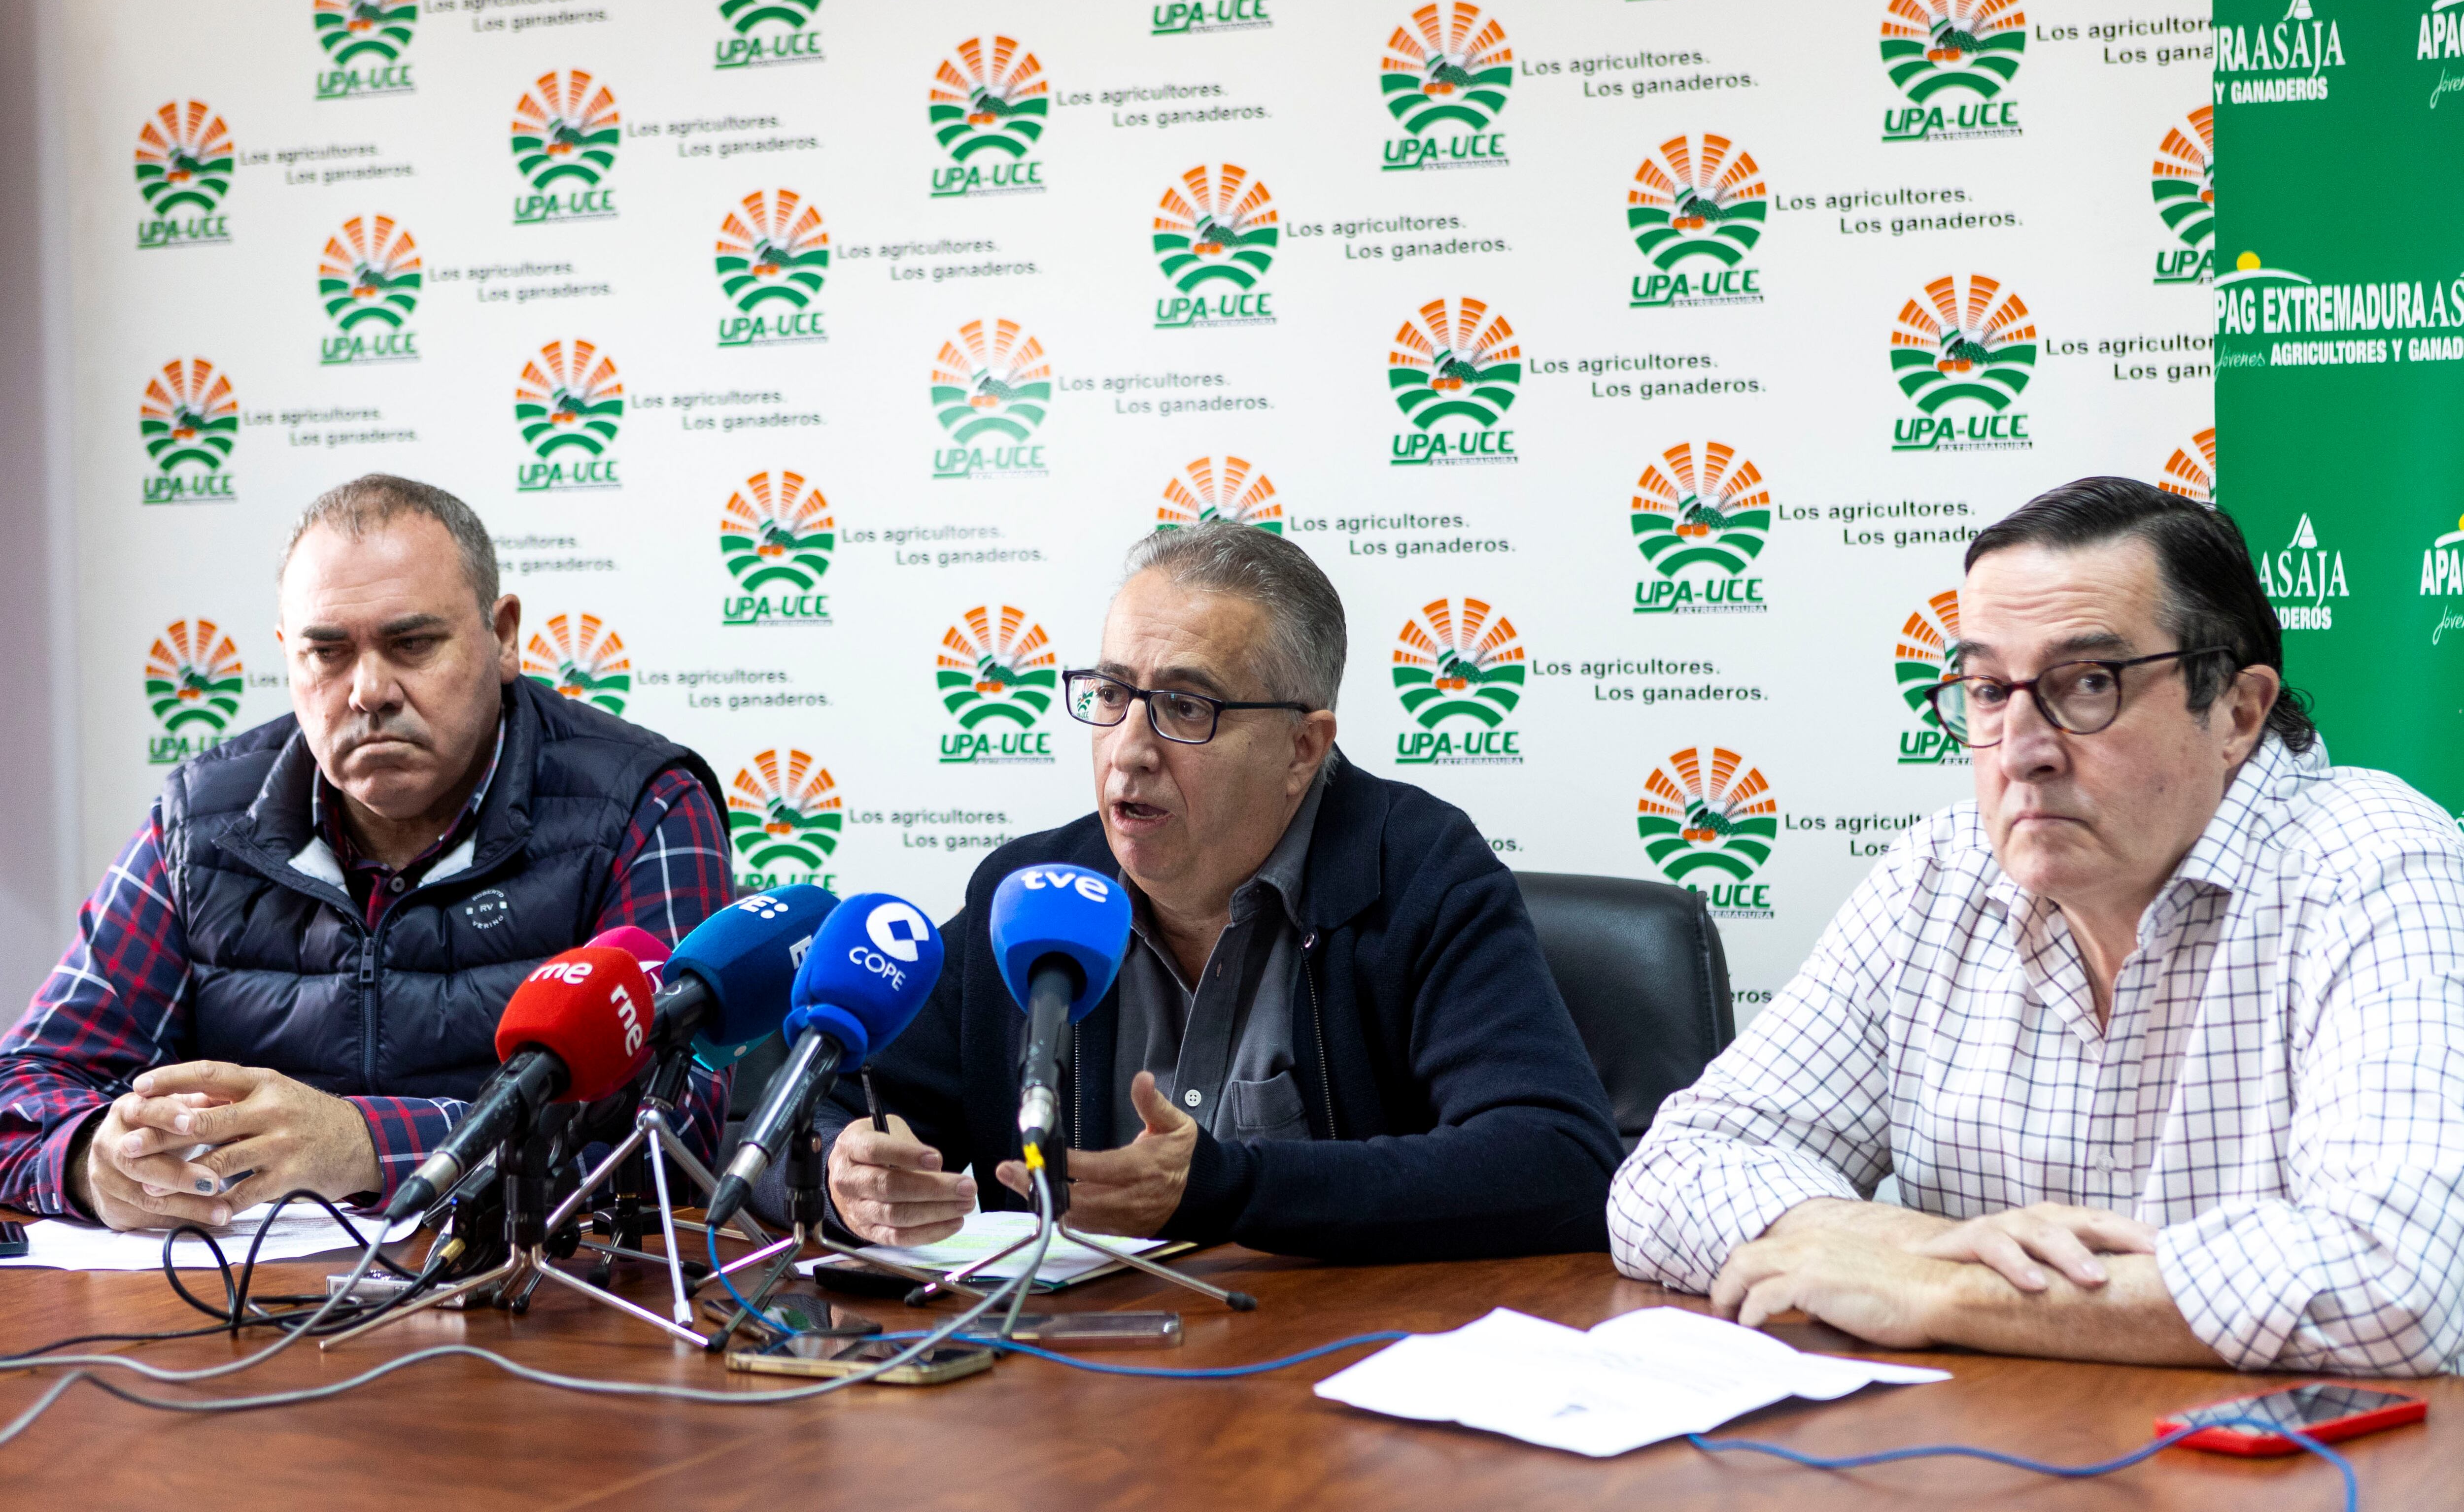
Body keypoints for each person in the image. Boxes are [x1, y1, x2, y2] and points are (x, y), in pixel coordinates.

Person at [1609, 476, 2464, 1375]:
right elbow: (1675, 1167)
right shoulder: (1937, 877)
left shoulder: (2375, 869)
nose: (2022, 748)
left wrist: (1951, 1291)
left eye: (2088, 683)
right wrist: (1872, 1239)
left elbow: (2403, 1277)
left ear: (2237, 712)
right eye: (1987, 689)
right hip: (1984, 1454)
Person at [809, 521, 1621, 1260]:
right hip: (1068, 1389)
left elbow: (1559, 1158)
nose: (1128, 751)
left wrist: (1226, 1187)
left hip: (1332, 1378)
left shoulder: (1418, 874)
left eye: (1185, 707)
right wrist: (845, 1174)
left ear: (1303, 746)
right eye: (1113, 694)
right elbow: (819, 1109)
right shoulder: (1028, 902)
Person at [0, 475, 735, 1230]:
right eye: (328, 652)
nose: (369, 690)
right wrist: (91, 1156)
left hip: (532, 1307)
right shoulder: (201, 821)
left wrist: (364, 1146)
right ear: (289, 655)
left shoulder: (642, 808)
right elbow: (22, 1087)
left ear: (504, 635)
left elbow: (676, 1130)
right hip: (237, 1311)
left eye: (412, 644)